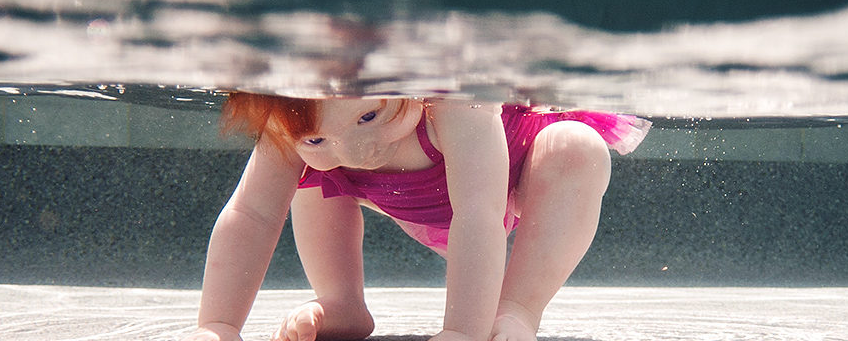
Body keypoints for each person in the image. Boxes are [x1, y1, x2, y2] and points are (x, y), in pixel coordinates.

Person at [187, 93, 649, 341]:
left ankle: (516, 310)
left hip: (504, 182)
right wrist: (218, 326)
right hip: (413, 201)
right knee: (304, 169)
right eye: (318, 138)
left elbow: (479, 213)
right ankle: (342, 301)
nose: (355, 151)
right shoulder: (293, 116)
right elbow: (251, 214)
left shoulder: (454, 98)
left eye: (367, 117)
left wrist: (463, 332)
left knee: (576, 149)